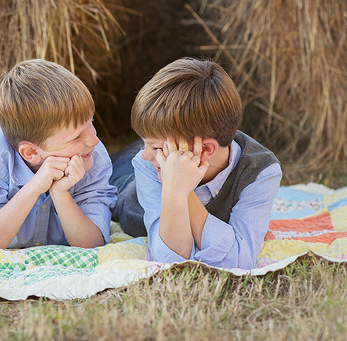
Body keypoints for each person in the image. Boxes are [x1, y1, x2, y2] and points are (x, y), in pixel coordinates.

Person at [109, 57, 281, 269]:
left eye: (155, 148)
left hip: (166, 160)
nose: (146, 155)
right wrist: (174, 190)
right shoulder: (146, 164)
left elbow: (241, 259)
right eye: (150, 145)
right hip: (124, 184)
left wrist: (182, 191)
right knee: (114, 168)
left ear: (207, 149)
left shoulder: (260, 171)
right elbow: (169, 260)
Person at [0, 59, 117, 249]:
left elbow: (92, 245)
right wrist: (33, 188)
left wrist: (60, 194)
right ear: (31, 152)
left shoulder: (93, 155)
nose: (94, 140)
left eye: (91, 122)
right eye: (76, 137)